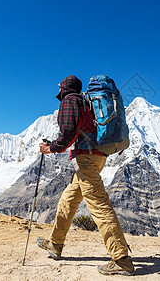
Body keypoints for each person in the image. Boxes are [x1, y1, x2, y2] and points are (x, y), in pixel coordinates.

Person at [37, 75, 135, 276]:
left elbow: (68, 131)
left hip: (86, 158)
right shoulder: (85, 101)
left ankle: (121, 259)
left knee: (99, 205)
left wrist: (51, 147)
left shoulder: (70, 101)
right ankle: (56, 243)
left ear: (65, 87)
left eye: (60, 86)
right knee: (69, 199)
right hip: (98, 156)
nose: (58, 89)